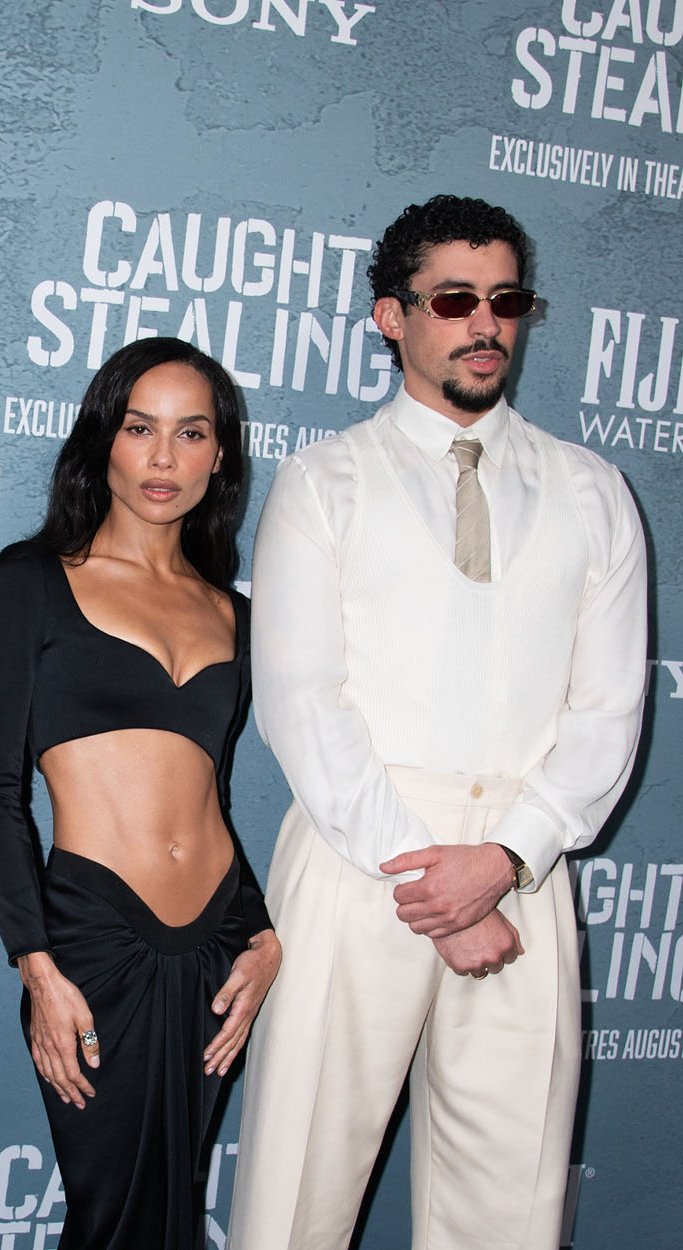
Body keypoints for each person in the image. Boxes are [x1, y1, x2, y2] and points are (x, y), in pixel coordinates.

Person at [229, 195, 648, 1250]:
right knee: (294, 1199)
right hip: (359, 861)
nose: (485, 323)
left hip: (524, 869)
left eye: (506, 299)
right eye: (455, 299)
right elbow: (301, 702)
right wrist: (439, 891)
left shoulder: (595, 492)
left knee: (508, 1210)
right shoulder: (324, 482)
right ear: (392, 316)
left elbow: (608, 710)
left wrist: (505, 858)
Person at [0, 337, 281, 1250]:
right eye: (141, 428)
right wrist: (36, 965)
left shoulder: (233, 612)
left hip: (218, 945)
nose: (164, 457)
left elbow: (210, 795)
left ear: (220, 457)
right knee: (113, 1222)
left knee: (172, 1218)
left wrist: (261, 933)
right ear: (103, 439)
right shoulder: (32, 581)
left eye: (192, 433)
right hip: (93, 945)